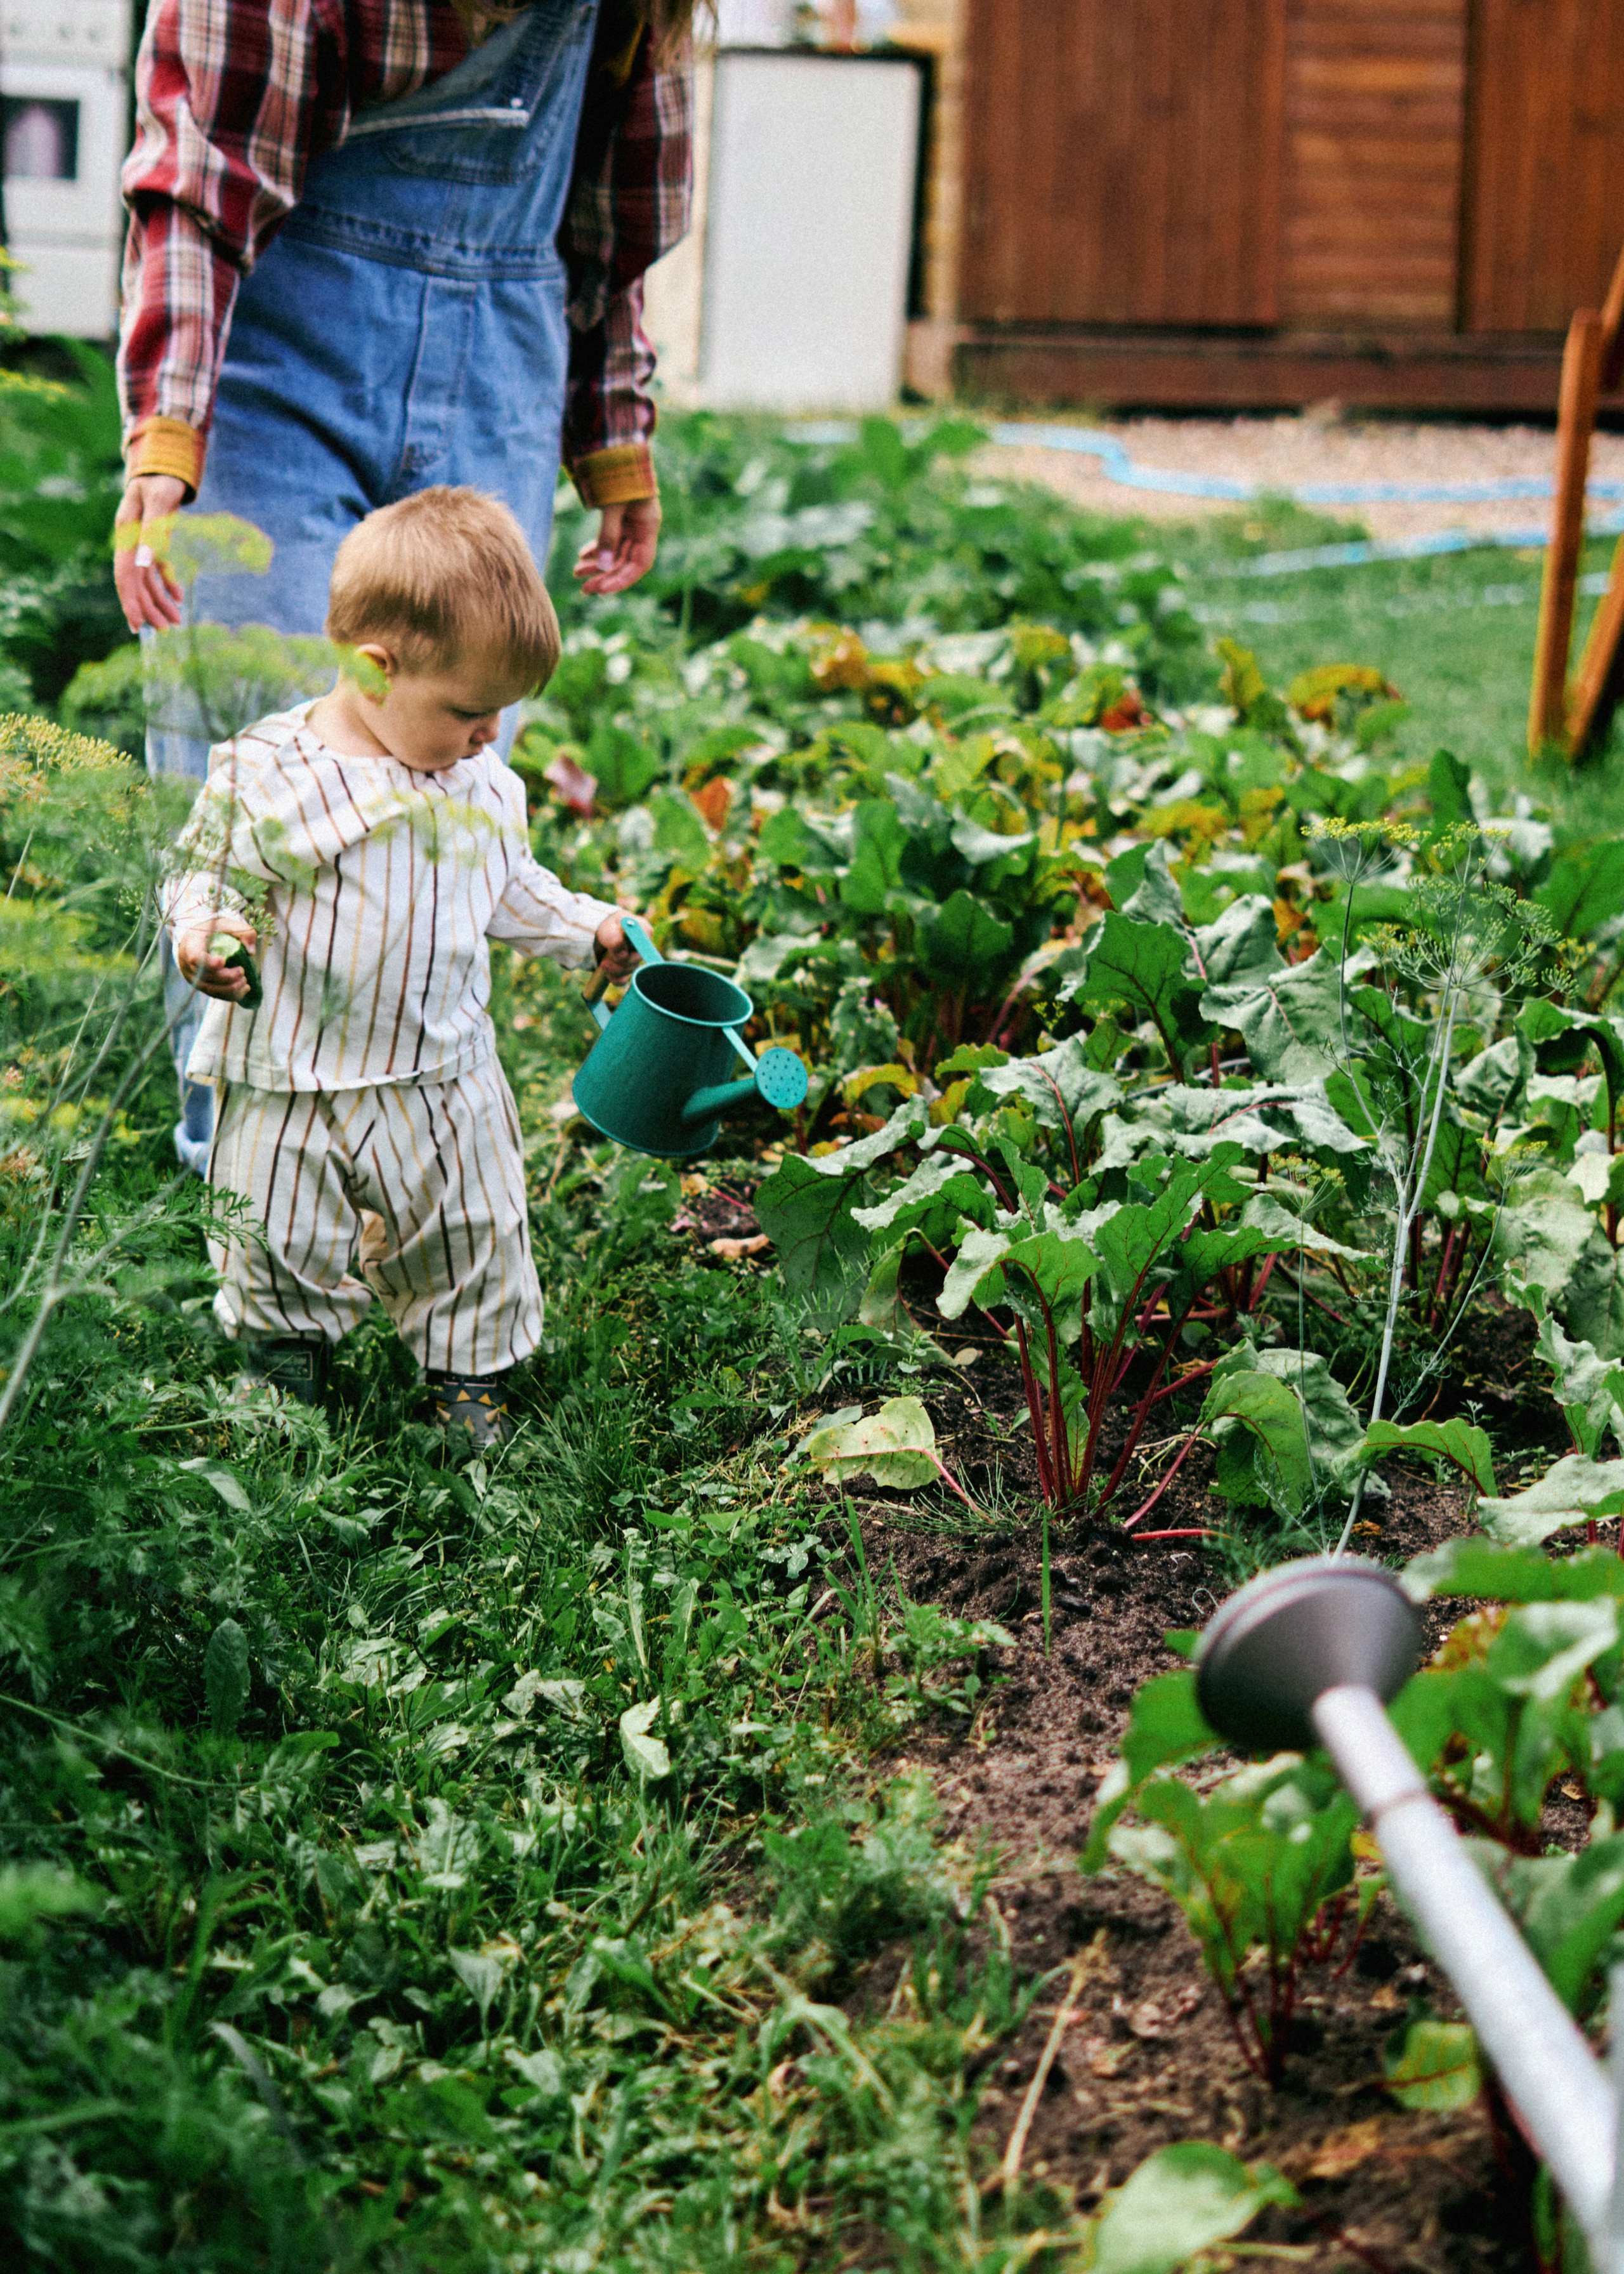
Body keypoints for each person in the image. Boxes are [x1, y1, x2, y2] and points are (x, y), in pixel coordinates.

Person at [114, 0, 694, 1171]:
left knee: (447, 755)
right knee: (261, 735)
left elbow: (608, 229)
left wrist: (614, 427)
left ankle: (391, 1157)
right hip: (286, 336)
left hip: (507, 354)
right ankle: (239, 1168)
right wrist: (171, 426)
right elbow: (202, 161)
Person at [162, 486, 636, 1442]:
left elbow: (509, 887)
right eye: (469, 710)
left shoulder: (479, 783)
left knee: (471, 1229)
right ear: (372, 669)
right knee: (275, 1233)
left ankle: (469, 1371)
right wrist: (205, 931)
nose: (489, 735)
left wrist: (588, 928)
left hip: (438, 1076)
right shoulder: (269, 773)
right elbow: (202, 875)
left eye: (499, 713)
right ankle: (283, 1359)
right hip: (291, 1074)